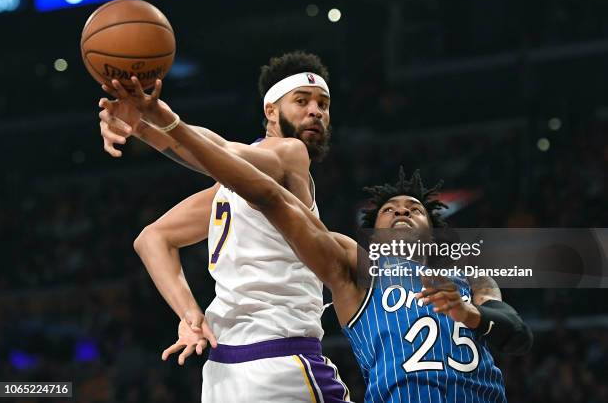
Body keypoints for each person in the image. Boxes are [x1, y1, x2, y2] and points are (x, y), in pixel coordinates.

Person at [123, 99, 534, 402]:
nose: (403, 212)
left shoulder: (471, 276)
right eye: (390, 211)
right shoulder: (354, 265)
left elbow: (516, 334)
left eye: (414, 210)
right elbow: (269, 196)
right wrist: (158, 125)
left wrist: (471, 314)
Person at [98, 52, 350, 402]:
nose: (316, 111)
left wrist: (190, 314)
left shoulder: (225, 190)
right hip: (281, 361)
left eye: (323, 104)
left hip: (222, 375)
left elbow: (153, 237)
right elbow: (221, 151)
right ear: (270, 111)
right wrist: (155, 119)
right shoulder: (291, 153)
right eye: (302, 101)